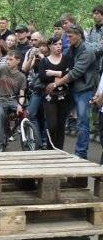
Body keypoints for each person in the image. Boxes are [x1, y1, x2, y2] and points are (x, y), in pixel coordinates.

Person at [46, 24, 98, 159]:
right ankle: (56, 149)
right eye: (67, 37)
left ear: (79, 35)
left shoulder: (87, 51)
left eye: (70, 36)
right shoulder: (71, 49)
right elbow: (62, 64)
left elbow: (75, 72)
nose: (67, 39)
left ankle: (81, 153)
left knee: (82, 122)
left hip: (85, 90)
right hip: (71, 89)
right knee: (60, 119)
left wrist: (56, 83)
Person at [39, 36, 71, 150]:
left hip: (64, 96)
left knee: (61, 125)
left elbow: (70, 74)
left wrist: (54, 73)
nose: (59, 46)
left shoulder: (66, 59)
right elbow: (42, 77)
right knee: (52, 125)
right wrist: (62, 77)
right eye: (56, 44)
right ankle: (50, 149)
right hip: (50, 96)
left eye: (60, 44)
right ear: (50, 46)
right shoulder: (44, 61)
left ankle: (59, 150)